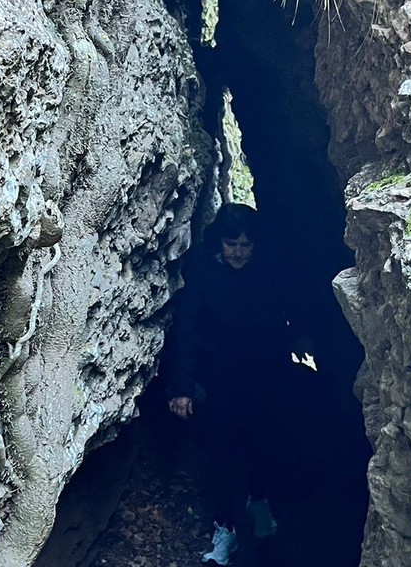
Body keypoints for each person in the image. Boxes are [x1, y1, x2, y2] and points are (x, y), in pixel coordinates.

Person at [166, 203, 293, 566]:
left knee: (263, 442)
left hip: (263, 377)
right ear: (219, 243)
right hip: (219, 379)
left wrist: (297, 342)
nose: (237, 252)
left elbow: (285, 314)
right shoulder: (203, 273)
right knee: (220, 450)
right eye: (231, 244)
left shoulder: (268, 273)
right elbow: (186, 329)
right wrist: (182, 387)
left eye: (245, 245)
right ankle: (225, 527)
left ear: (256, 245)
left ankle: (259, 500)